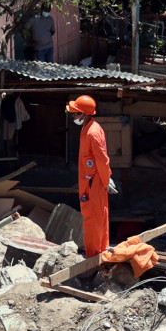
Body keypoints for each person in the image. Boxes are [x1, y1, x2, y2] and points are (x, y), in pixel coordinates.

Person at [67, 94, 114, 257]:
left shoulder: (92, 133)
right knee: (99, 216)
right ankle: (101, 250)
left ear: (84, 114)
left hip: (94, 182)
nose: (73, 116)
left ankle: (93, 256)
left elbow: (102, 159)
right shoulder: (90, 128)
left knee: (93, 219)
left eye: (75, 113)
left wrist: (106, 180)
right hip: (93, 180)